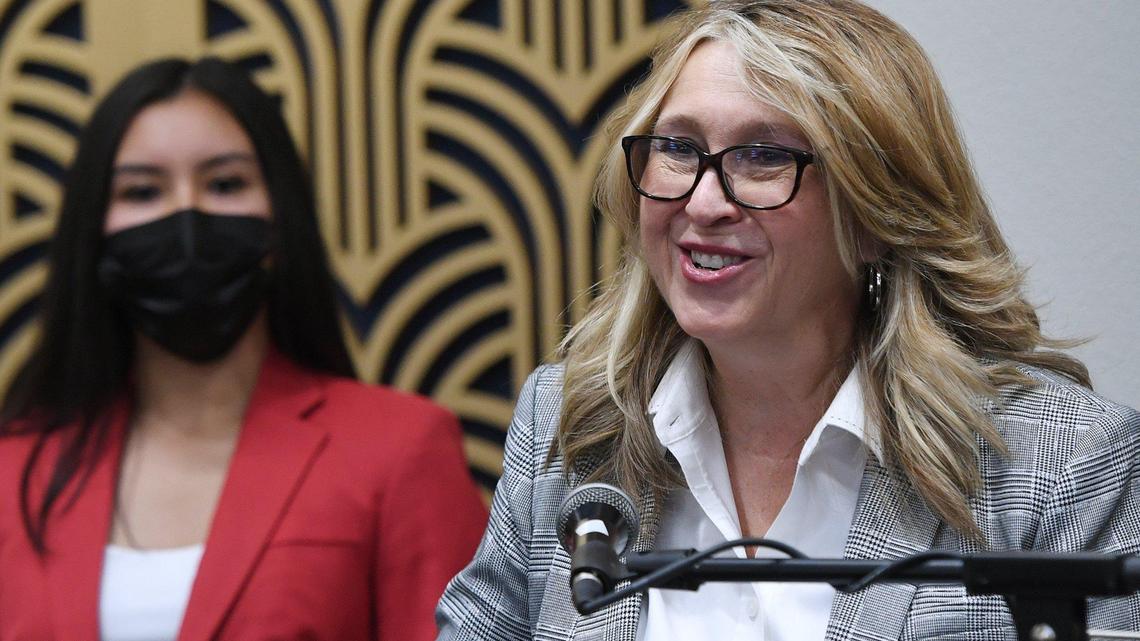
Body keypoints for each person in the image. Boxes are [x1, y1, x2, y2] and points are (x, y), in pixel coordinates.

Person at [436, 1, 1140, 639]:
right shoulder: (571, 425)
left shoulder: (1062, 464)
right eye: (678, 147)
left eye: (764, 156)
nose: (704, 202)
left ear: (875, 214)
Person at [0, 57, 487, 641]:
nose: (187, 214)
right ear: (95, 234)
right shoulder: (15, 470)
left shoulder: (399, 449)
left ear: (281, 223)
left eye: (226, 184)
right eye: (142, 191)